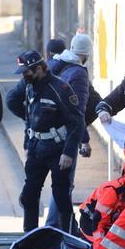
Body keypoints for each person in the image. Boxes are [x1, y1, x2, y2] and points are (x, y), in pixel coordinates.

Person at [6, 50, 85, 233]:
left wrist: (69, 152)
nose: (25, 75)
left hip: (58, 150)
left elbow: (77, 122)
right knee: (29, 195)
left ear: (40, 69)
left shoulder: (60, 89)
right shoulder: (28, 85)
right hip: (36, 148)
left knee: (61, 196)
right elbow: (12, 101)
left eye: (28, 71)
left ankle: (67, 237)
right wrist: (31, 124)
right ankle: (30, 236)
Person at [44, 33, 95, 230]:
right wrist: (84, 140)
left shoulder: (53, 66)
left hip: (45, 136)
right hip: (66, 137)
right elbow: (77, 111)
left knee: (59, 185)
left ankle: (68, 229)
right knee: (63, 186)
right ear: (87, 55)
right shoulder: (78, 74)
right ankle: (53, 231)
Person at [78, 178, 125, 244]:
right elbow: (97, 223)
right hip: (91, 225)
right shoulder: (111, 192)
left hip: (107, 226)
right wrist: (100, 246)